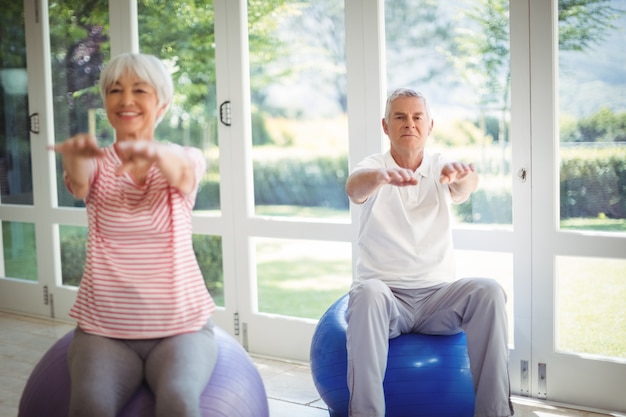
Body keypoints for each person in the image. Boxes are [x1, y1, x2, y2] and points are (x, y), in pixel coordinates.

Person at [49, 52, 217, 417]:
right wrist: (73, 158)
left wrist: (148, 150)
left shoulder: (185, 157)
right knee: (89, 407)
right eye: (114, 91)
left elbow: (184, 175)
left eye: (139, 90)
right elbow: (78, 184)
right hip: (104, 331)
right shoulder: (97, 163)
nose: (125, 100)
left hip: (181, 329)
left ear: (162, 104)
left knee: (179, 403)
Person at [345, 87, 513, 417]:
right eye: (400, 117)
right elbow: (354, 188)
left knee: (489, 291)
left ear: (429, 125)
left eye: (417, 116)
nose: (410, 123)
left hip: (438, 298)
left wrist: (461, 178)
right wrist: (381, 177)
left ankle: (495, 413)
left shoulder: (440, 165)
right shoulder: (374, 165)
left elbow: (465, 186)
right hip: (387, 299)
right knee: (366, 292)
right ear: (385, 126)